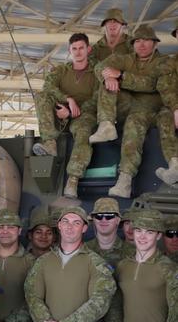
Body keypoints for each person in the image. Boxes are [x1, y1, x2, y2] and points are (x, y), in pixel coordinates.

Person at [90, 25, 173, 198]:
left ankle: (125, 179)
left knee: (134, 125)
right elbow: (100, 67)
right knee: (106, 84)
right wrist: (107, 76)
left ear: (155, 44)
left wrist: (121, 76)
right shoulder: (124, 59)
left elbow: (151, 84)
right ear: (133, 44)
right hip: (131, 107)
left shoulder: (164, 61)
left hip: (155, 108)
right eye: (137, 41)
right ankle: (106, 125)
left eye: (147, 41)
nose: (141, 45)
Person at [32, 33, 99, 198]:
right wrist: (67, 100)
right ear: (69, 51)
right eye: (74, 48)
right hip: (61, 114)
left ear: (88, 49)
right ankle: (49, 143)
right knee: (41, 96)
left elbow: (98, 97)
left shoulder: (96, 72)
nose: (78, 52)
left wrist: (77, 110)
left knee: (84, 132)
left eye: (81, 48)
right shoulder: (61, 70)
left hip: (85, 116)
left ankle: (73, 180)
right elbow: (48, 86)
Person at [155, 22, 178, 186]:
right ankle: (175, 165)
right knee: (164, 116)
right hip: (175, 107)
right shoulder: (170, 63)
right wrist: (176, 108)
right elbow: (165, 87)